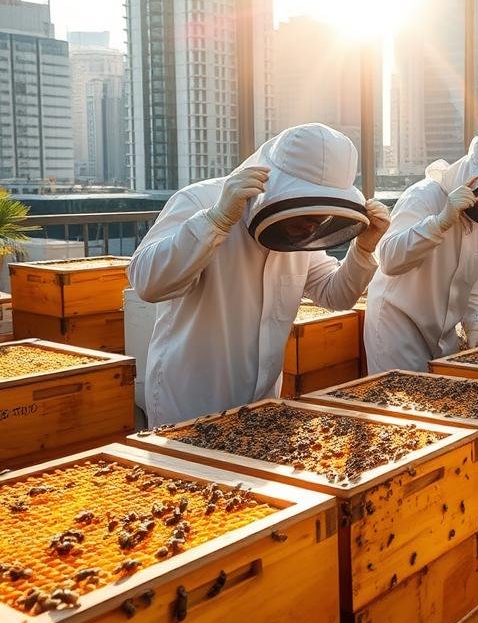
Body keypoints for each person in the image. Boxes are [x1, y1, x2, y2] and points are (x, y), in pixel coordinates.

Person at [129, 123, 391, 426]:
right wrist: (215, 221)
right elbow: (147, 282)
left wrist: (362, 250)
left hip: (261, 405)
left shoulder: (302, 234)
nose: (311, 226)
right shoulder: (199, 201)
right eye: (308, 215)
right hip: (190, 402)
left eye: (320, 217)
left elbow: (337, 295)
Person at [364, 132, 478, 373]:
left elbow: (474, 276)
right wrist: (440, 222)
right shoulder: (423, 196)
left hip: (444, 332)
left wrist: (474, 327)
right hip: (397, 327)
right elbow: (389, 258)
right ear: (474, 180)